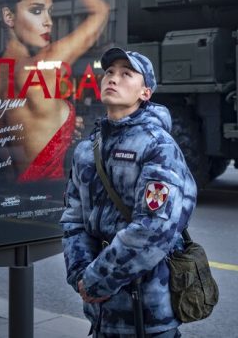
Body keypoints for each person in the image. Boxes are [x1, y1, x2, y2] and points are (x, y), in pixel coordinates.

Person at [61, 47, 197, 337]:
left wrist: (98, 279)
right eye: (109, 72)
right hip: (101, 310)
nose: (113, 78)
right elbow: (73, 217)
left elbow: (154, 228)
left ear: (145, 92)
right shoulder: (87, 149)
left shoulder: (158, 146)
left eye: (126, 73)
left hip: (147, 312)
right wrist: (80, 274)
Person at [0, 0, 110, 182]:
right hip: (49, 194)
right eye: (37, 10)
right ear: (9, 17)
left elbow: (5, 159)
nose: (48, 22)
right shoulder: (45, 63)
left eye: (49, 11)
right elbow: (100, 11)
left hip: (17, 192)